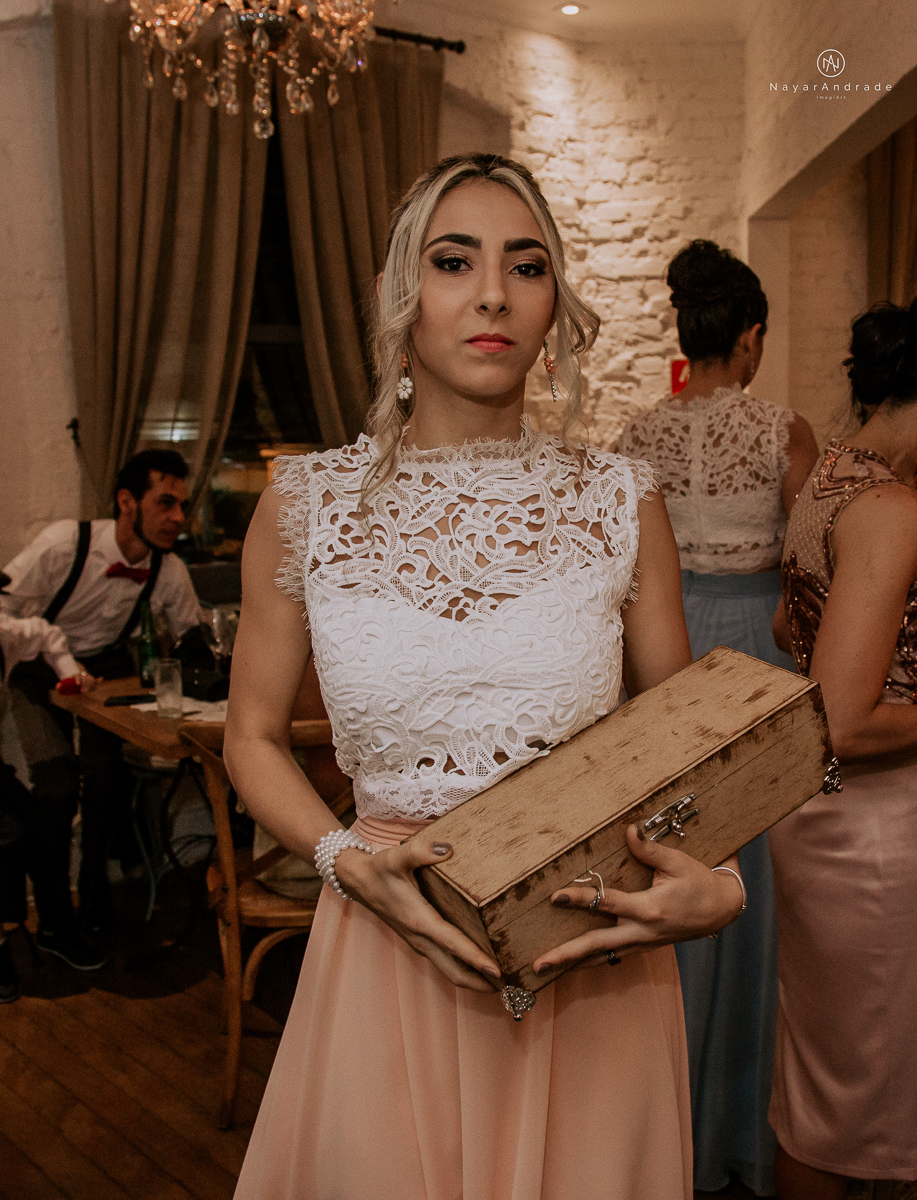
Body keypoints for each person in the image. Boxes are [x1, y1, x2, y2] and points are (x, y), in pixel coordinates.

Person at [223, 154, 748, 1200]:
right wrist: (340, 858)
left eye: (527, 264)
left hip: (582, 956)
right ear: (398, 295)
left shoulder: (617, 497)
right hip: (387, 939)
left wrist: (719, 886)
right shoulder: (306, 502)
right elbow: (251, 735)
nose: (493, 294)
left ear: (556, 302)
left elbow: (681, 744)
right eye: (453, 261)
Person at [616, 240, 819, 1197]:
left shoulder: (634, 439)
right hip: (754, 657)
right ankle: (740, 1126)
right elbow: (811, 578)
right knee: (753, 887)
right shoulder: (786, 432)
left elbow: (615, 583)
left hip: (660, 650)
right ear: (748, 337)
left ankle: (662, 1125)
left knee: (666, 858)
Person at [770, 300, 917, 1199]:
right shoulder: (892, 506)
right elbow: (846, 719)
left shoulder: (824, 476)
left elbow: (788, 621)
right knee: (875, 1105)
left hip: (821, 821)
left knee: (823, 1091)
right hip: (882, 837)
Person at [2, 449, 199, 940]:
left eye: (182, 506)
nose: (178, 518)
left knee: (110, 775)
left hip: (107, 672)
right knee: (56, 785)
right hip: (36, 670)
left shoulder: (168, 569)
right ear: (126, 501)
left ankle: (94, 894)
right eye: (165, 503)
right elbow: (3, 604)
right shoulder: (64, 544)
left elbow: (196, 638)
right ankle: (54, 918)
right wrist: (52, 655)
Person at [0, 569, 97, 997]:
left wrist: (68, 672)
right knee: (5, 835)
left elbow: (44, 633)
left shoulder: (4, 634)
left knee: (39, 825)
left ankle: (54, 930)